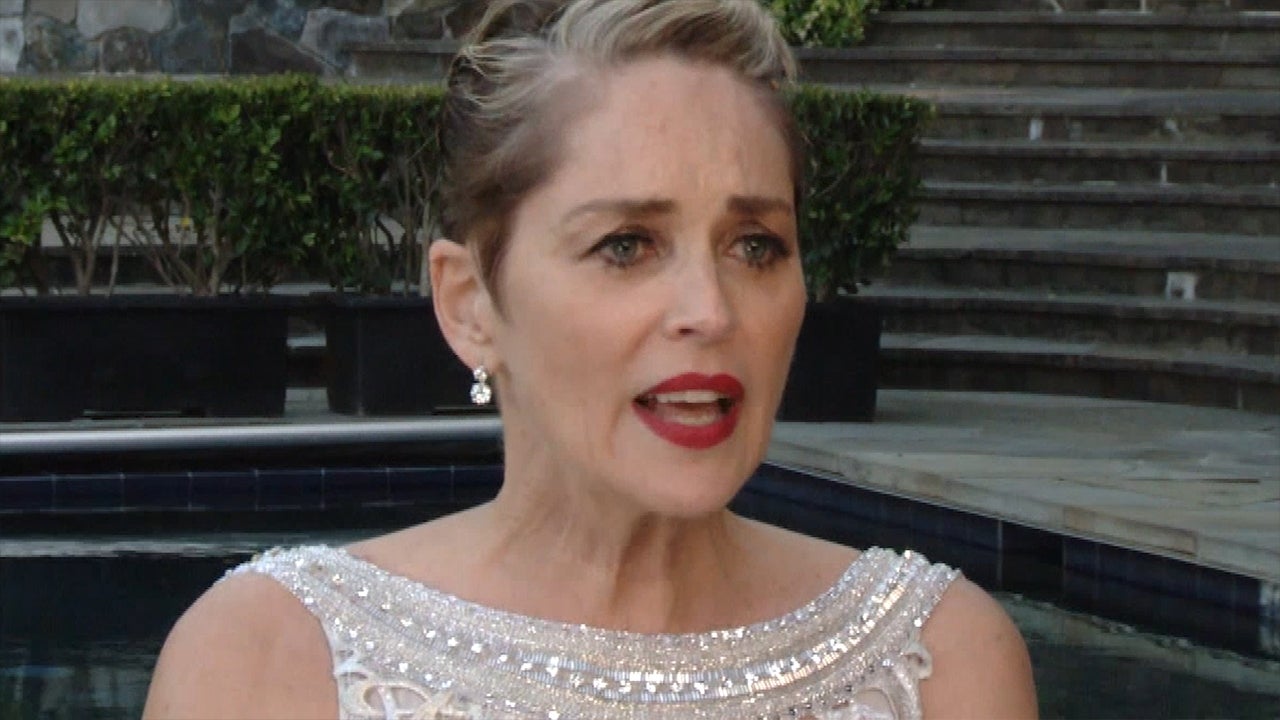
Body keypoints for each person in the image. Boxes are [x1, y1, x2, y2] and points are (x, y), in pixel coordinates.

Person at [143, 1, 1038, 718]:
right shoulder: (266, 663)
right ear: (469, 305)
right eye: (626, 245)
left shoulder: (941, 662)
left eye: (755, 246)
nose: (710, 311)